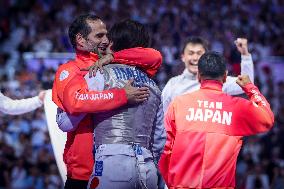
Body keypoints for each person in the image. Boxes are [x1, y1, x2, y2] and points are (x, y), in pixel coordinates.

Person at [52, 14, 162, 189]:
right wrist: (118, 96)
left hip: (116, 165)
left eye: (107, 35)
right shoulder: (69, 71)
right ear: (80, 40)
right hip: (84, 172)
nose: (106, 40)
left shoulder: (109, 67)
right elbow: (65, 122)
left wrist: (112, 58)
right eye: (99, 36)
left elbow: (154, 56)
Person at [159, 51, 274, 188]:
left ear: (199, 76)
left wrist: (171, 183)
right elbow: (267, 118)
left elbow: (164, 149)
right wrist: (250, 88)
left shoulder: (178, 104)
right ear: (225, 77)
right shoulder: (237, 107)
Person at [85, 19, 165, 189]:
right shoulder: (154, 87)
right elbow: (159, 139)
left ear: (112, 43)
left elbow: (68, 120)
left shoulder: (99, 72)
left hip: (111, 164)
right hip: (147, 168)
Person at [162, 37, 254, 113]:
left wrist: (245, 55)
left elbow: (246, 84)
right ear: (183, 57)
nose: (195, 58)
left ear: (206, 57)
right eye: (190, 53)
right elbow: (164, 119)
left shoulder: (218, 80)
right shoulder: (172, 85)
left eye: (199, 53)